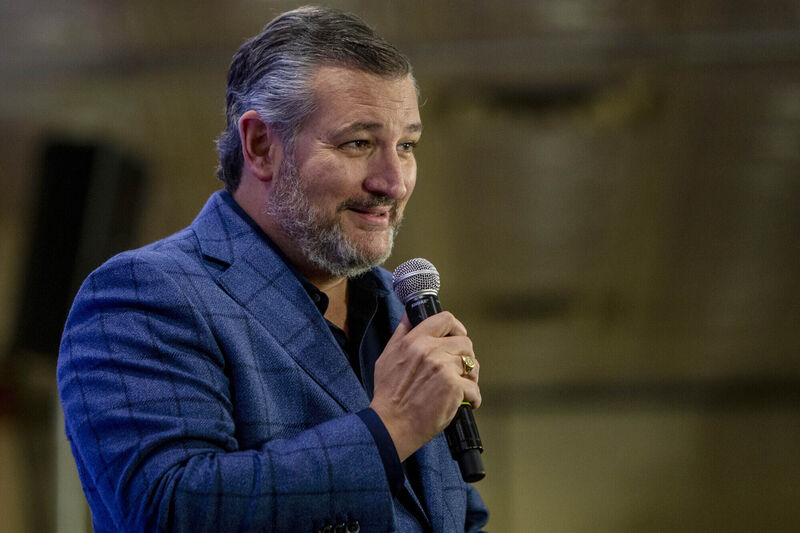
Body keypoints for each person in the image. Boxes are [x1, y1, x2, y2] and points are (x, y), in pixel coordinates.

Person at [57, 6, 488, 532]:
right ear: (261, 145)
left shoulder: (401, 313)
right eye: (358, 143)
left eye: (406, 146)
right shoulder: (142, 294)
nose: (393, 181)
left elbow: (453, 516)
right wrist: (390, 427)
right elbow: (168, 510)